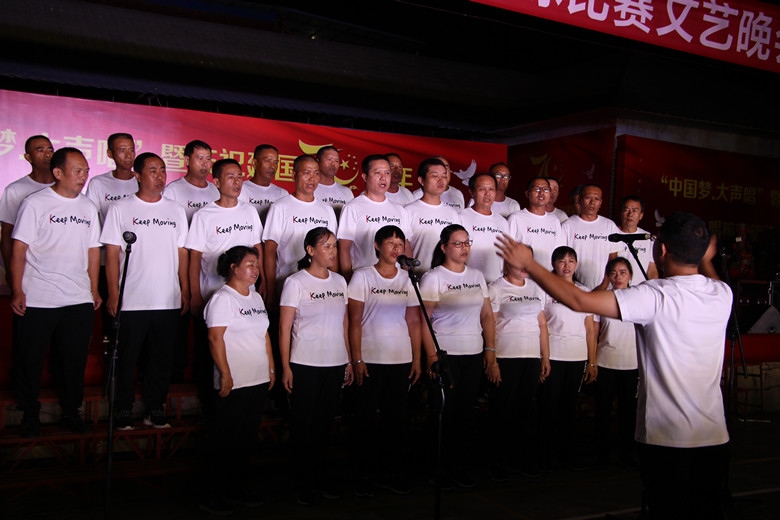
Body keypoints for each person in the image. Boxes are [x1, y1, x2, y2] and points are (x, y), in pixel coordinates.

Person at [496, 212, 732, 519]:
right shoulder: (721, 294)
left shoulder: (654, 296)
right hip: (715, 436)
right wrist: (707, 259)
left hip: (667, 439)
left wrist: (530, 264)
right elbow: (709, 276)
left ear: (661, 250)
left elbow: (580, 301)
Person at [11, 147, 101, 437]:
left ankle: (71, 411)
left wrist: (93, 289)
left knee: (73, 360)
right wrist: (17, 289)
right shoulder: (35, 203)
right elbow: (19, 249)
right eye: (77, 171)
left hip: (78, 298)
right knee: (31, 359)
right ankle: (29, 414)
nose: (83, 176)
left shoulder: (88, 206)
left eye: (86, 171)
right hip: (39, 296)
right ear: (58, 172)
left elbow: (93, 250)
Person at [101, 152, 189, 430]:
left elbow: (182, 252)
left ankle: (155, 408)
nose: (160, 176)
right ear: (138, 176)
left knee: (161, 359)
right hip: (132, 300)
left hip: (167, 299)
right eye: (153, 170)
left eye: (162, 170)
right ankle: (123, 409)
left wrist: (185, 289)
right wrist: (113, 293)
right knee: (126, 359)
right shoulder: (121, 208)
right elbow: (111, 254)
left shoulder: (175, 209)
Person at [198, 246, 274, 516]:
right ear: (234, 268)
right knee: (224, 440)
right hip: (234, 381)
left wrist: (271, 368)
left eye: (257, 264)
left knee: (245, 439)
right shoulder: (222, 299)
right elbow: (214, 338)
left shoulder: (255, 297)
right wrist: (226, 374)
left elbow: (264, 334)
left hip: (257, 378)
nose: (256, 270)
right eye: (250, 264)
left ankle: (236, 487)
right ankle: (212, 493)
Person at [279, 227, 353, 505]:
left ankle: (319, 478)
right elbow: (284, 329)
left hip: (334, 362)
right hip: (305, 363)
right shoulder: (295, 282)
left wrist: (347, 360)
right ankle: (301, 483)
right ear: (310, 250)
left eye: (335, 246)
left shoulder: (340, 281)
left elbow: (344, 323)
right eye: (327, 246)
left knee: (325, 424)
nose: (333, 252)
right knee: (303, 425)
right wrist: (286, 367)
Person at [185, 158, 263, 417]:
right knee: (212, 350)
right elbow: (195, 257)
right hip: (213, 294)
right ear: (216, 182)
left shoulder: (249, 211)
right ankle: (212, 404)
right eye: (231, 177)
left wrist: (260, 283)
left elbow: (258, 248)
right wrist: (195, 294)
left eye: (240, 176)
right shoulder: (204, 215)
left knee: (243, 347)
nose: (237, 182)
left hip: (246, 295)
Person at [420, 224, 495, 489]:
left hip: (473, 354)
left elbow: (487, 315)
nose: (464, 248)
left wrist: (490, 351)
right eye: (458, 243)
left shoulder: (477, 275)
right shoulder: (433, 277)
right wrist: (431, 356)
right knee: (443, 413)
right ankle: (437, 469)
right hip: (446, 356)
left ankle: (458, 467)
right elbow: (424, 321)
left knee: (464, 414)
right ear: (444, 247)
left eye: (467, 243)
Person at [348, 225, 421, 497]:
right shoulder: (362, 276)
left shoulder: (408, 279)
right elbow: (354, 320)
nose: (395, 248)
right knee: (365, 420)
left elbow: (413, 322)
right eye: (390, 242)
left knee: (396, 420)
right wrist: (357, 359)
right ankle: (363, 475)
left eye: (399, 243)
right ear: (377, 246)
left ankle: (391, 473)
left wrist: (416, 359)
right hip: (370, 357)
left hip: (400, 358)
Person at [487, 260, 550, 480]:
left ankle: (521, 460)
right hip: (506, 357)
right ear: (506, 265)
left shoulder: (535, 287)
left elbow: (542, 324)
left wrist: (545, 356)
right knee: (502, 410)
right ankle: (498, 463)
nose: (523, 268)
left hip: (530, 357)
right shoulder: (496, 288)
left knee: (525, 410)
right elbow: (489, 324)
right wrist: (492, 360)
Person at [538, 246, 597, 471]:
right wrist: (544, 357)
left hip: (577, 356)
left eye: (571, 260)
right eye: (561, 261)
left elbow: (590, 330)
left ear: (576, 265)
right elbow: (541, 325)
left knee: (569, 407)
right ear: (553, 264)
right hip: (553, 355)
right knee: (549, 406)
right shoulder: (545, 289)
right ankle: (547, 455)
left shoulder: (584, 291)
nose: (566, 265)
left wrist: (592, 361)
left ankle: (567, 454)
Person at [594, 257, 638, 469]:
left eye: (622, 272)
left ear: (630, 275)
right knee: (602, 410)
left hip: (631, 364)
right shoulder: (601, 299)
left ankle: (627, 452)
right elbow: (594, 331)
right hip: (605, 362)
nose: (618, 277)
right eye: (613, 273)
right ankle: (601, 454)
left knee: (628, 411)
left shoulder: (639, 298)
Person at [338, 154, 410, 281]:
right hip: (364, 279)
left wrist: (406, 276)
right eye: (377, 173)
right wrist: (349, 280)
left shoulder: (399, 210)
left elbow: (406, 246)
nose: (383, 177)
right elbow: (344, 248)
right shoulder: (353, 207)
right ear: (365, 177)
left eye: (387, 173)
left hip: (395, 280)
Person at [0, 135, 55, 288]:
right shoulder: (15, 190)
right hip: (26, 271)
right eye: (40, 150)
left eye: (50, 150)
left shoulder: (66, 189)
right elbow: (7, 235)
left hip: (58, 270)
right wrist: (10, 270)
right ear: (28, 157)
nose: (47, 154)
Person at [404, 157, 461, 274]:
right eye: (435, 176)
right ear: (421, 180)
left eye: (444, 176)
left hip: (445, 277)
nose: (441, 180)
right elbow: (403, 246)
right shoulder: (408, 211)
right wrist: (408, 275)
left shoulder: (452, 213)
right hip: (416, 276)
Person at [560, 184, 620, 289]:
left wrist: (604, 284)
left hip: (604, 288)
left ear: (600, 202)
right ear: (579, 200)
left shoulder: (609, 225)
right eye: (588, 197)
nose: (592, 202)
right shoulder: (567, 226)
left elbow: (613, 259)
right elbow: (562, 258)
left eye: (596, 199)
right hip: (575, 288)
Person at [457, 172, 509, 283]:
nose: (487, 194)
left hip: (496, 283)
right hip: (468, 283)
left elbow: (506, 255)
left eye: (491, 189)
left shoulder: (502, 222)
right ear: (471, 192)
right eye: (482, 189)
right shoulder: (461, 217)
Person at [507, 177, 565, 270]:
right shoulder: (515, 218)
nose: (541, 193)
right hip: (523, 274)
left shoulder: (554, 221)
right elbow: (508, 250)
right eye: (537, 189)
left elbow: (559, 252)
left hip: (547, 275)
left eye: (545, 189)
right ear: (527, 193)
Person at [85, 133, 138, 225]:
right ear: (110, 154)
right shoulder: (98, 183)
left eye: (131, 150)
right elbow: (89, 217)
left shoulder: (143, 182)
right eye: (122, 150)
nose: (128, 155)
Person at [163, 139, 219, 223]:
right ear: (187, 160)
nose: (205, 164)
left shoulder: (215, 190)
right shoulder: (172, 191)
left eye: (208, 159)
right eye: (200, 158)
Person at [238, 144, 288, 225]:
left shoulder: (283, 194)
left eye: (275, 162)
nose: (272, 166)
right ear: (255, 163)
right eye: (268, 161)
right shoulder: (241, 190)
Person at [615, 195, 658, 284]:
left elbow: (652, 270)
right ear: (620, 212)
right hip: (614, 289)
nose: (630, 214)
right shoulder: (612, 235)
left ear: (641, 215)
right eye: (626, 210)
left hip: (639, 289)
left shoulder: (647, 238)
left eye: (635, 210)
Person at [314, 145, 354, 218]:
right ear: (317, 162)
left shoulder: (347, 192)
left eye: (336, 161)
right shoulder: (309, 190)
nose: (333, 164)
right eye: (329, 159)